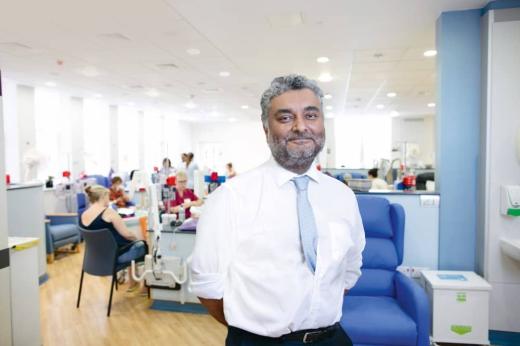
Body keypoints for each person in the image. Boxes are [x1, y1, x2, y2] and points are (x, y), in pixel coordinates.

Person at [190, 74, 365, 345]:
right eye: (285, 118)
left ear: (322, 123)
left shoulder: (342, 196)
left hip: (332, 338)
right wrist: (253, 331)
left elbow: (350, 267)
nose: (300, 126)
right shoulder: (230, 198)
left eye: (311, 115)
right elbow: (207, 287)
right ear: (266, 129)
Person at [80, 185, 147, 292]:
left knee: (131, 245)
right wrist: (137, 238)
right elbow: (127, 234)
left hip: (94, 260)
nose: (109, 199)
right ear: (102, 197)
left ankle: (133, 283)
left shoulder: (83, 215)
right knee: (145, 246)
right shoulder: (109, 213)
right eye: (108, 196)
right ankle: (145, 288)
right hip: (115, 259)